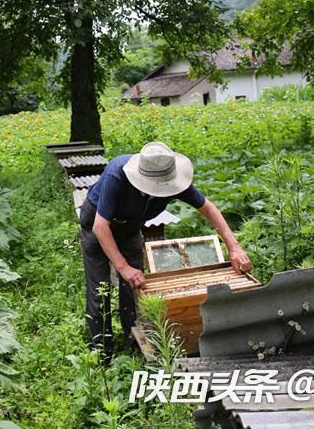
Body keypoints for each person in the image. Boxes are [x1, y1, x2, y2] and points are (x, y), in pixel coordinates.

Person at [78, 141, 252, 360]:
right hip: (97, 226)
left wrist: (234, 246)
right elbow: (100, 227)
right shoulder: (117, 173)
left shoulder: (174, 179)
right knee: (100, 290)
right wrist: (122, 267)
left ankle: (135, 344)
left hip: (131, 229)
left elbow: (208, 208)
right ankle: (101, 353)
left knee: (135, 287)